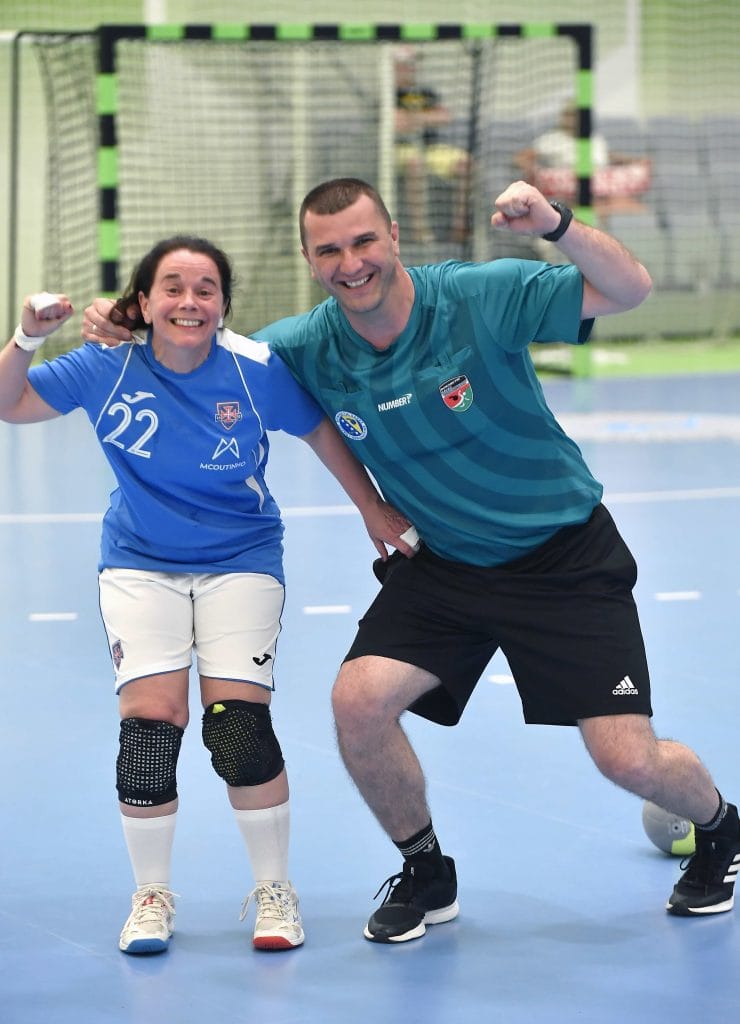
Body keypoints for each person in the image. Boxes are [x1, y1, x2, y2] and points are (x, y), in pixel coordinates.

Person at [83, 181, 740, 947]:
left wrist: (557, 225)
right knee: (359, 702)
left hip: (563, 557)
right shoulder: (302, 346)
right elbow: (199, 352)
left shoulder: (480, 295)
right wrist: (124, 323)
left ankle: (720, 826)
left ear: (393, 236)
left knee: (628, 759)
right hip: (446, 562)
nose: (350, 262)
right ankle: (426, 870)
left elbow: (630, 289)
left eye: (364, 241)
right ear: (310, 261)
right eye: (329, 250)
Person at [0, 236, 415, 956]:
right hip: (139, 563)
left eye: (205, 290)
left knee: (237, 730)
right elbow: (11, 404)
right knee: (149, 731)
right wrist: (28, 336)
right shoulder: (105, 363)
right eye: (172, 287)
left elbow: (320, 431)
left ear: (223, 304)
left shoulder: (254, 369)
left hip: (240, 559)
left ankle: (275, 890)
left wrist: (371, 508)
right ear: (143, 301)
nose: (188, 302)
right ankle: (151, 895)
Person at [514, 103, 652, 231]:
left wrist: (633, 161)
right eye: (567, 115)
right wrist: (534, 172)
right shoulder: (552, 140)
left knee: (628, 207)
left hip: (601, 193)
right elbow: (522, 158)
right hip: (570, 195)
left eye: (574, 115)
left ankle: (605, 233)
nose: (570, 120)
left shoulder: (594, 139)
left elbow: (608, 156)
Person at [393, 45, 471, 244]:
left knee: (465, 164)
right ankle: (421, 233)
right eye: (405, 64)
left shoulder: (425, 92)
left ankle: (460, 229)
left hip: (431, 148)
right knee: (415, 163)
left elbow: (444, 117)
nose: (411, 68)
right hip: (401, 149)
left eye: (413, 64)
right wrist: (425, 117)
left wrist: (413, 117)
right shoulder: (389, 93)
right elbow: (398, 124)